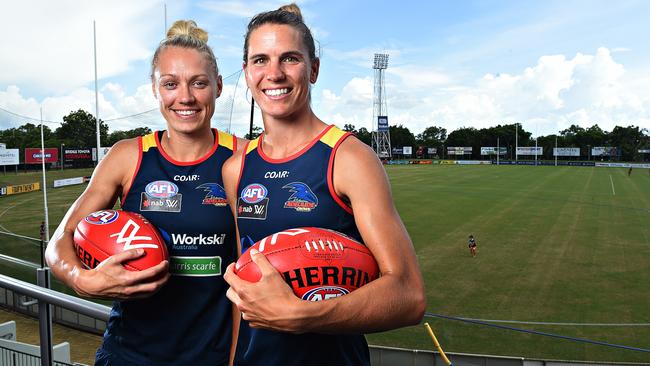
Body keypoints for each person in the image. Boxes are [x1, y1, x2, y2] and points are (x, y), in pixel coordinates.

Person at [222, 4, 426, 365]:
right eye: (260, 60)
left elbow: (409, 296)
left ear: (313, 69)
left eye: (289, 59)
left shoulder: (350, 158)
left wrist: (299, 316)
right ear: (246, 72)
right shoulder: (236, 168)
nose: (274, 74)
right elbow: (244, 293)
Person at [45, 20, 242, 366]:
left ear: (218, 87)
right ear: (155, 89)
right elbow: (61, 238)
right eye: (170, 84)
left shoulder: (242, 159)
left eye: (199, 83)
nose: (185, 97)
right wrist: (82, 279)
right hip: (128, 355)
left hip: (210, 357)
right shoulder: (128, 156)